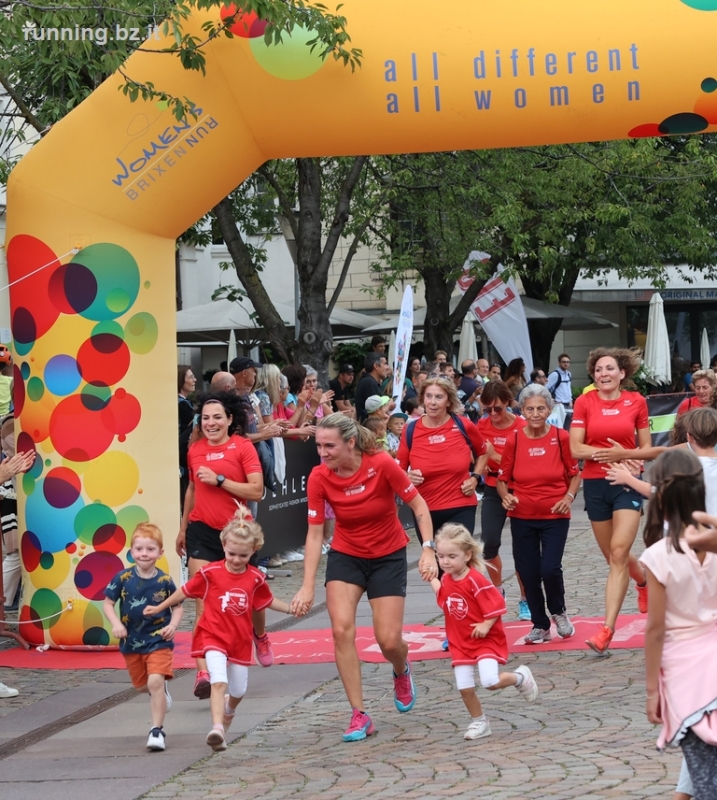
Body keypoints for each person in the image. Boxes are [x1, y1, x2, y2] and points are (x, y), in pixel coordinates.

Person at [289, 413, 437, 742]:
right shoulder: (319, 477)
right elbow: (314, 535)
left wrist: (428, 548)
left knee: (388, 641)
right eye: (319, 446)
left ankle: (401, 668)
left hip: (388, 556)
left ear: (350, 442)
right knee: (341, 630)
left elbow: (419, 505)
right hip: (346, 556)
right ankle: (359, 714)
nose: (323, 453)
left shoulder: (381, 463)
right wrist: (307, 584)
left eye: (330, 446)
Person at [146, 509, 295, 752]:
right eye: (231, 553)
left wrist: (291, 609)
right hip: (213, 636)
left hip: (240, 641)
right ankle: (217, 729)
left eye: (243, 556)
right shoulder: (210, 572)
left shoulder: (256, 578)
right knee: (218, 681)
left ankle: (229, 710)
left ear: (254, 551)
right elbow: (185, 591)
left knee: (238, 690)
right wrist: (161, 606)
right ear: (223, 546)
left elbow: (267, 601)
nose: (236, 559)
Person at [177, 392, 267, 699]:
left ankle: (261, 634)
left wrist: (219, 480)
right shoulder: (195, 450)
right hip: (201, 531)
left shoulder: (242, 448)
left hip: (237, 533)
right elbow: (191, 488)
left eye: (217, 417)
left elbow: (256, 491)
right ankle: (205, 672)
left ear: (230, 420)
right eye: (205, 418)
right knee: (203, 602)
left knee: (252, 599)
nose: (211, 423)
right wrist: (183, 527)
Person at [639, 449, 717, 800]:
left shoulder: (657, 555)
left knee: (705, 779)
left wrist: (653, 690)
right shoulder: (713, 540)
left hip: (685, 676)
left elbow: (655, 628)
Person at [569, 347, 651, 654]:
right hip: (594, 484)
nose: (603, 374)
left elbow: (646, 449)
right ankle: (642, 581)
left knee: (619, 552)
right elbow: (576, 449)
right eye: (598, 370)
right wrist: (608, 454)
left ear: (622, 374)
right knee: (612, 556)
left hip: (627, 482)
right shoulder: (584, 402)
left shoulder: (636, 402)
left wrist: (626, 457)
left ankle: (607, 629)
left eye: (609, 369)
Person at [428, 523, 538, 741]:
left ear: (468, 554)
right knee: (464, 687)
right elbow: (445, 598)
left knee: (489, 682)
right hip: (460, 643)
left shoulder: (476, 580)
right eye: (441, 556)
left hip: (484, 641)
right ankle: (479, 721)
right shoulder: (446, 579)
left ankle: (519, 677)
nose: (445, 561)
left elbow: (497, 604)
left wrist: (486, 624)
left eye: (452, 556)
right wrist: (431, 578)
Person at [497, 385, 581, 644]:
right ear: (521, 410)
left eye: (540, 408)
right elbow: (502, 478)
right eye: (530, 409)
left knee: (550, 568)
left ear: (549, 409)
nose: (535, 413)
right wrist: (505, 496)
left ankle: (559, 612)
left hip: (555, 515)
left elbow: (575, 473)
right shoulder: (515, 439)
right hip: (523, 516)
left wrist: (568, 497)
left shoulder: (562, 436)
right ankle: (539, 624)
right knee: (528, 571)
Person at [103, 523, 183, 752]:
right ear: (131, 551)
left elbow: (177, 607)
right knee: (142, 686)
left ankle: (157, 731)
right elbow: (108, 603)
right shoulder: (123, 577)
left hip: (159, 641)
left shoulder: (165, 581)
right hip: (131, 642)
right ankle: (158, 690)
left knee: (155, 680)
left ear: (160, 552)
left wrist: (173, 626)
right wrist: (116, 624)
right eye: (139, 549)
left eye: (150, 549)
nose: (144, 554)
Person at [397, 377, 487, 540]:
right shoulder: (410, 430)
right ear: (422, 399)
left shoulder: (463, 425)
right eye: (428, 396)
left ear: (448, 401)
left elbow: (483, 452)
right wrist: (407, 477)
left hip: (461, 505)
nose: (432, 402)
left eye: (439, 397)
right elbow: (398, 471)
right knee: (434, 564)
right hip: (424, 509)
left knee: (456, 560)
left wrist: (474, 478)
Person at [476, 380, 529, 617]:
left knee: (523, 548)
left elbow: (522, 463)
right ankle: (497, 590)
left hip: (519, 487)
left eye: (497, 409)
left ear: (508, 402)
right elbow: (478, 454)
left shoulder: (522, 426)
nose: (493, 414)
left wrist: (493, 454)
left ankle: (526, 599)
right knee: (489, 543)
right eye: (487, 410)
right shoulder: (482, 425)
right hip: (491, 487)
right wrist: (479, 467)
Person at [178, 365, 197, 508]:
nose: (194, 380)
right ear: (180, 380)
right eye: (190, 377)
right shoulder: (183, 406)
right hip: (183, 461)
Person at [354, 353, 390, 423]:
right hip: (370, 429)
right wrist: (389, 406)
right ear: (376, 366)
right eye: (385, 364)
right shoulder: (370, 383)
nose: (388, 367)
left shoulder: (368, 381)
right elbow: (374, 413)